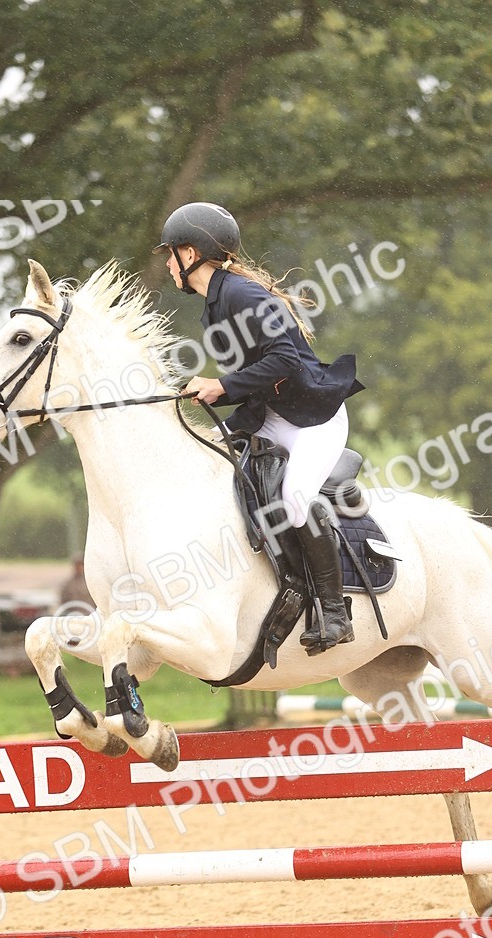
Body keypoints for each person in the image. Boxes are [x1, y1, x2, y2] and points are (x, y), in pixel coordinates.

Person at [154, 201, 365, 654]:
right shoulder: (215, 304)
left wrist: (221, 384)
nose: (167, 264)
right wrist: (220, 402)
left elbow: (285, 360)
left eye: (170, 253)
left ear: (190, 253)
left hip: (312, 419)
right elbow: (257, 378)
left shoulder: (241, 295)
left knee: (295, 498)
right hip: (271, 417)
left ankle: (334, 611)